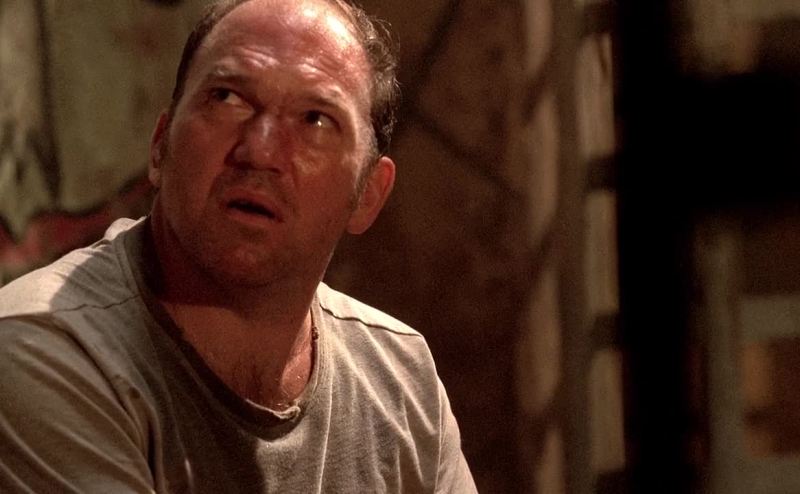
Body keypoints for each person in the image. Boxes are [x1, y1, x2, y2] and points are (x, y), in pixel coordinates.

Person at [0, 0, 477, 492]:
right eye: (227, 98)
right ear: (160, 144)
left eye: (315, 120)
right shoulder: (45, 350)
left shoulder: (400, 382)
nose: (261, 150)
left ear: (368, 194)